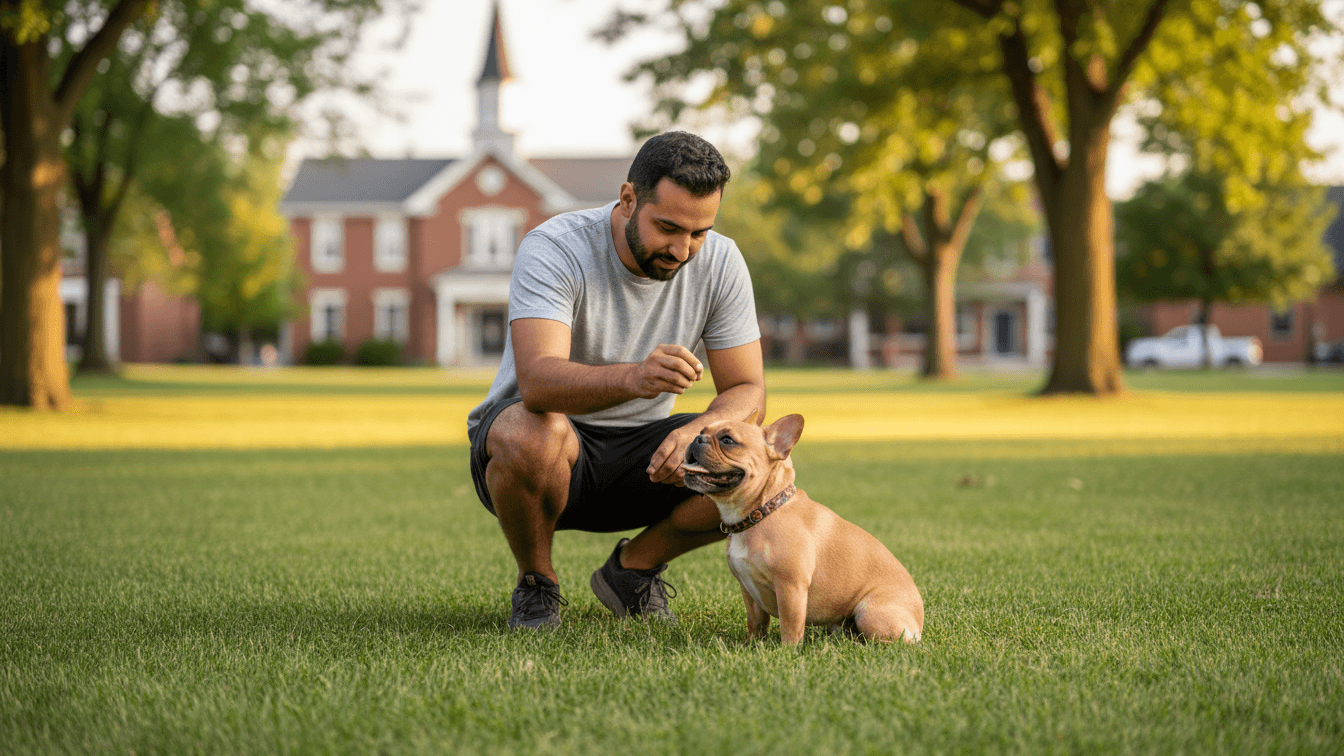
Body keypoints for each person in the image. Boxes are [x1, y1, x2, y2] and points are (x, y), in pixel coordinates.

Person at [466, 131, 765, 629]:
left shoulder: (721, 261)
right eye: (667, 227)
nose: (682, 249)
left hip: (646, 457)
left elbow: (747, 389)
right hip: (547, 451)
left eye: (698, 232)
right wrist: (637, 377)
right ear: (628, 199)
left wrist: (698, 431)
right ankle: (537, 584)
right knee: (529, 430)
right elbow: (537, 383)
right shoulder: (555, 247)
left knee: (758, 458)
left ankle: (633, 569)